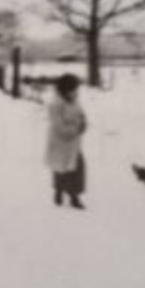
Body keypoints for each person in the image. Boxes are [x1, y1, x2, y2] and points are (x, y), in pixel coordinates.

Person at [45, 73, 88, 209]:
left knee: (77, 168)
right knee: (61, 169)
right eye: (73, 89)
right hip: (60, 143)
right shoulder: (55, 105)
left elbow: (81, 115)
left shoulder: (75, 101)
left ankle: (74, 197)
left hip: (73, 144)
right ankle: (58, 191)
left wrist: (83, 123)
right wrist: (76, 129)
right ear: (65, 90)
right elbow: (59, 127)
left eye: (76, 89)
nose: (76, 92)